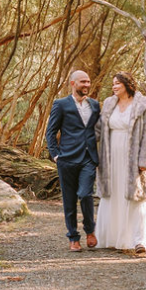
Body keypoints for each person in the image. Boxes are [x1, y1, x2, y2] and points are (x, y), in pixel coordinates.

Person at [94, 71, 146, 253]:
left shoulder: (143, 106)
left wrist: (144, 160)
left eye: (117, 84)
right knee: (112, 195)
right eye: (113, 84)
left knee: (135, 197)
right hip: (111, 156)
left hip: (133, 158)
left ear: (127, 85)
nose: (114, 87)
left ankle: (138, 241)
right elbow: (98, 130)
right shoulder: (108, 104)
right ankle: (111, 238)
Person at [45, 70, 101, 252]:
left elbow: (98, 130)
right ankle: (73, 238)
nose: (86, 85)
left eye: (88, 82)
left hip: (88, 159)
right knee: (69, 200)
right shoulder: (61, 104)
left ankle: (90, 230)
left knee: (85, 194)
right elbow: (51, 132)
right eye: (83, 82)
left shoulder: (95, 105)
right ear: (73, 83)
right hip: (67, 159)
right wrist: (55, 155)